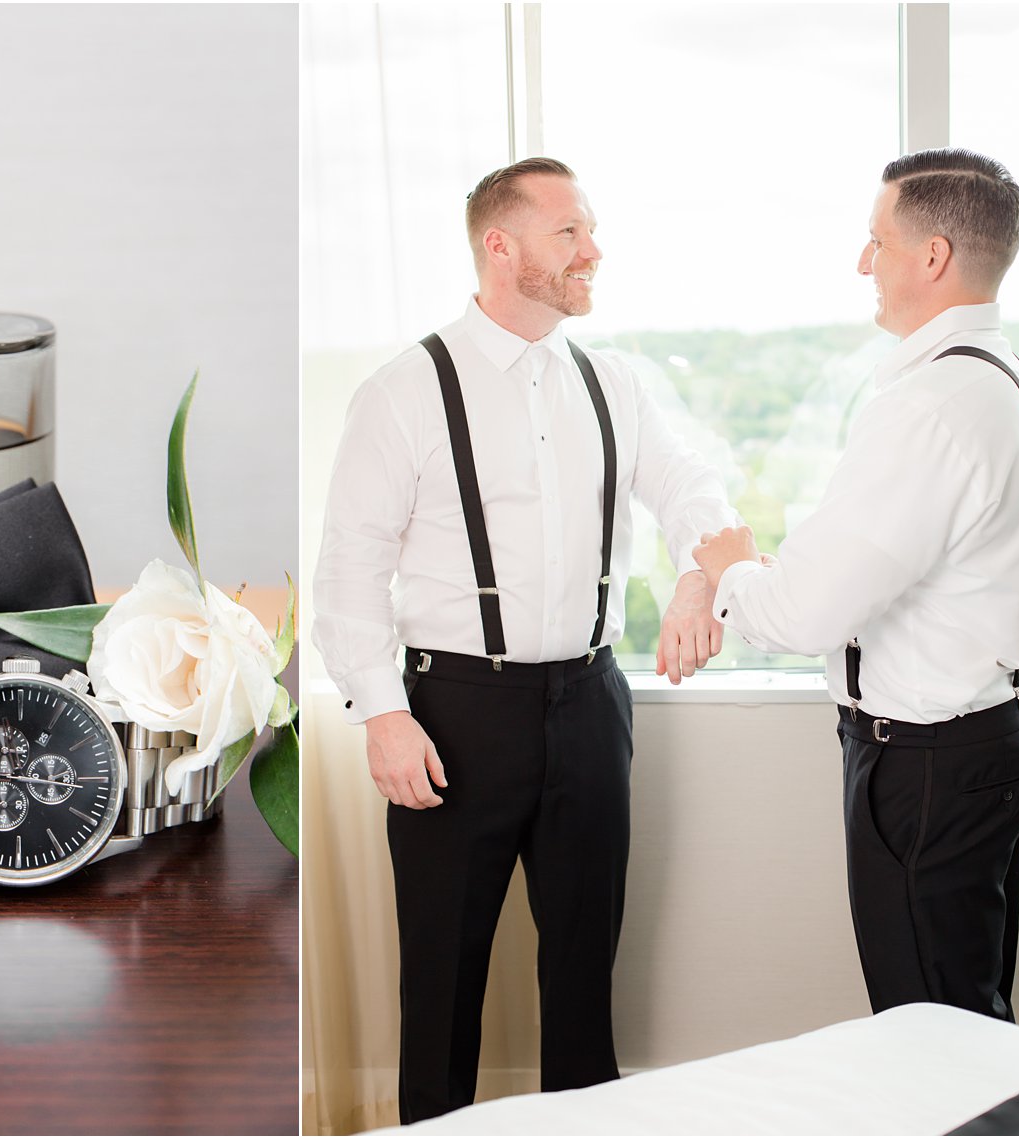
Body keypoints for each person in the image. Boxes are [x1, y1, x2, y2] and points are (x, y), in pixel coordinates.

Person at [312, 156, 738, 1124]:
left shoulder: (612, 382)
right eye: (569, 233)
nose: (593, 250)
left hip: (589, 706)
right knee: (441, 980)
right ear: (498, 246)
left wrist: (692, 578)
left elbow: (691, 493)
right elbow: (346, 573)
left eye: (587, 232)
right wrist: (382, 713)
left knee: (584, 974)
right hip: (453, 714)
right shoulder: (403, 391)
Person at [694, 148, 1019, 1023]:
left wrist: (729, 567)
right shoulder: (1002, 375)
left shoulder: (929, 406)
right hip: (996, 730)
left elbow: (804, 611)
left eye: (877, 240)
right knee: (969, 1015)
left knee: (928, 1033)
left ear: (933, 256)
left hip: (933, 763)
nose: (865, 262)